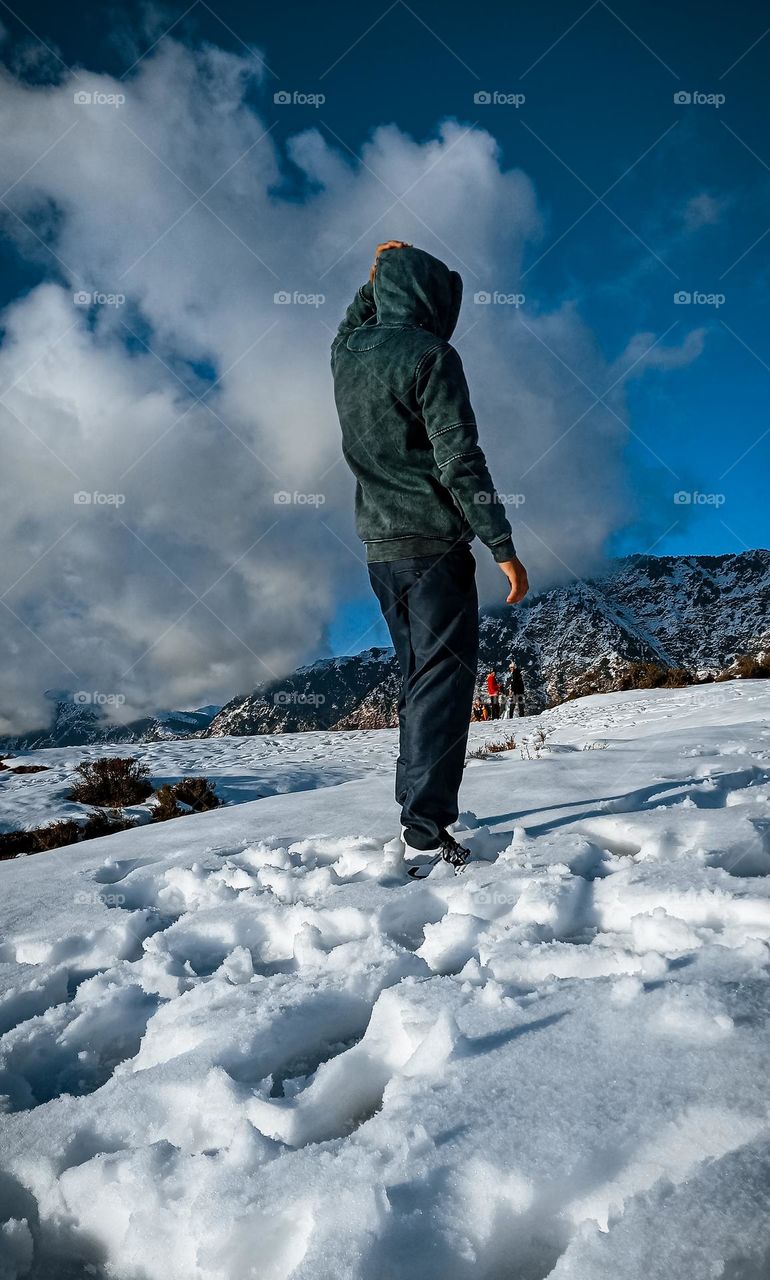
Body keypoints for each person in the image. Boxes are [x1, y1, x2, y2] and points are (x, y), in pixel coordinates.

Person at [331, 240, 529, 871]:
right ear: (430, 296)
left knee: (422, 680)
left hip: (380, 552)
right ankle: (423, 826)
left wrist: (372, 280)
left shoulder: (346, 355)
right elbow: (458, 458)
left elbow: (350, 323)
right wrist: (502, 545)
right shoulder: (431, 355)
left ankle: (416, 806)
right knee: (443, 685)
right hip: (435, 548)